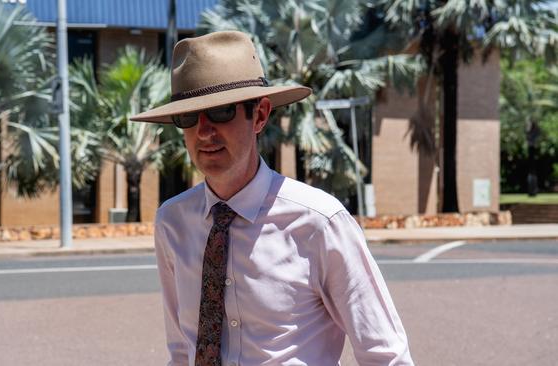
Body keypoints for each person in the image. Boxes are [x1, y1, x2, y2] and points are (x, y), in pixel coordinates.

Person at [131, 31, 413, 366]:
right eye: (188, 117)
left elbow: (386, 355)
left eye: (220, 112)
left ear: (260, 115)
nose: (204, 131)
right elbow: (181, 349)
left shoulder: (319, 222)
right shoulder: (173, 222)